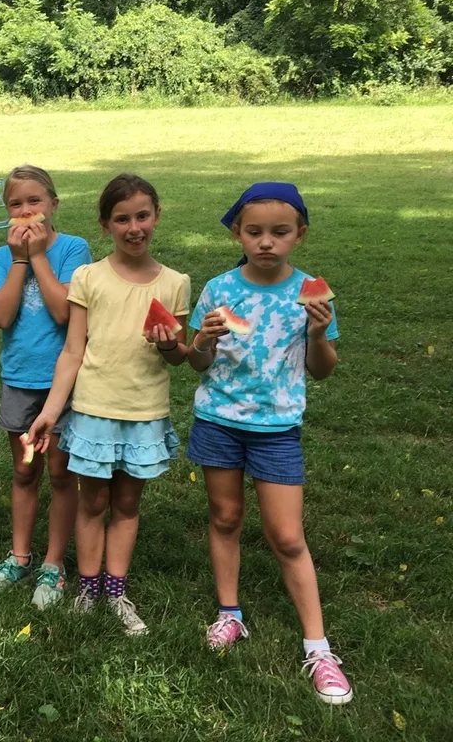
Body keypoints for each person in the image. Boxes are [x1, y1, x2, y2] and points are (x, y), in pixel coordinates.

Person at [186, 182, 352, 705]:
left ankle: (319, 647)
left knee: (286, 537)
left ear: (299, 236)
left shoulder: (313, 294)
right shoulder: (217, 289)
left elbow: (322, 372)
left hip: (277, 428)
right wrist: (203, 341)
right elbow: (196, 362)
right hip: (217, 421)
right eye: (254, 232)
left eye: (279, 233)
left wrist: (319, 336)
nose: (265, 242)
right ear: (238, 232)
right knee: (225, 518)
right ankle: (229, 613)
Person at [25, 174, 190, 634]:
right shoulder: (88, 277)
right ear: (105, 225)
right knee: (92, 502)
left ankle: (116, 591)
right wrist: (50, 413)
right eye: (122, 219)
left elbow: (179, 357)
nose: (134, 227)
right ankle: (88, 586)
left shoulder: (176, 284)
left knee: (128, 505)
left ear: (157, 217)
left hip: (144, 413)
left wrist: (167, 345)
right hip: (94, 409)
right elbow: (73, 351)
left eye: (142, 216)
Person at [0, 165, 92, 609]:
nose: (25, 212)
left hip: (62, 384)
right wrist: (21, 259)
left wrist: (40, 256)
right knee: (25, 471)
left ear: (53, 204)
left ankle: (53, 563)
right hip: (20, 380)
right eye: (15, 204)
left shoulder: (72, 248)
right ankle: (19, 556)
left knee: (62, 475)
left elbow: (65, 313)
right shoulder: (3, 257)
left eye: (34, 202)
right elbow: (2, 317)